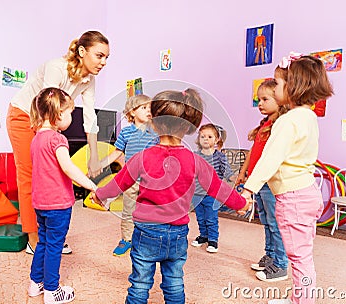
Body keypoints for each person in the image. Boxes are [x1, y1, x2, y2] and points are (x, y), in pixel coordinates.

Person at [91, 88, 251, 303]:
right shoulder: (196, 161)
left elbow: (119, 183)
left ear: (154, 123)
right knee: (174, 281)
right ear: (188, 127)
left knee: (139, 283)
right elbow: (218, 188)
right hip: (177, 232)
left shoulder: (141, 157)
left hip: (146, 231)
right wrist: (240, 203)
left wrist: (99, 195)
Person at [241, 53, 333, 304]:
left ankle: (302, 301)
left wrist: (248, 189)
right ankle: (299, 297)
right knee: (303, 254)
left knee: (299, 257)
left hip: (293, 197)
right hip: (306, 192)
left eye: (278, 83)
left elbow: (269, 159)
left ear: (294, 88)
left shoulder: (288, 121)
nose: (275, 86)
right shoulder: (308, 117)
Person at [6, 30, 109, 254]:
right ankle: (34, 239)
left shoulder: (89, 80)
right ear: (82, 51)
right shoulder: (57, 67)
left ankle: (50, 234)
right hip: (25, 115)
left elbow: (90, 117)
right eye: (99, 55)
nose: (103, 62)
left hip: (50, 121)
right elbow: (48, 104)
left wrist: (94, 156)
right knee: (30, 175)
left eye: (106, 58)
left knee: (55, 173)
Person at [27, 87, 97, 303]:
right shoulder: (58, 140)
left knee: (44, 242)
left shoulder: (36, 139)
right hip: (58, 205)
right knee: (55, 245)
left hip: (40, 203)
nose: (70, 118)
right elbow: (68, 168)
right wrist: (91, 186)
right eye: (69, 114)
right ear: (58, 115)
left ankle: (35, 283)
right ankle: (52, 290)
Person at [236, 79, 289, 282]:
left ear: (280, 101)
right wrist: (243, 172)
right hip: (258, 181)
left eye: (265, 99)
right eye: (259, 99)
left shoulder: (279, 126)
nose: (260, 103)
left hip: (271, 183)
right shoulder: (264, 125)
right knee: (266, 222)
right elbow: (253, 153)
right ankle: (270, 257)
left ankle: (281, 264)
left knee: (275, 224)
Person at [99, 94, 158, 256]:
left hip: (150, 181)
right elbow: (117, 153)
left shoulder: (155, 133)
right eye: (144, 108)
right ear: (132, 112)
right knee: (128, 211)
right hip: (131, 180)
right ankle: (126, 239)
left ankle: (147, 240)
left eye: (149, 108)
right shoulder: (126, 133)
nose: (148, 111)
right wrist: (100, 164)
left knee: (149, 211)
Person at [191, 123, 233, 253]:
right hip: (197, 194)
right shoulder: (195, 155)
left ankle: (213, 239)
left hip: (212, 195)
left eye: (209, 136)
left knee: (211, 217)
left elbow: (228, 173)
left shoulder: (219, 157)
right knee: (200, 217)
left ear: (216, 140)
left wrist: (234, 179)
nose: (205, 139)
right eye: (202, 136)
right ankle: (203, 236)